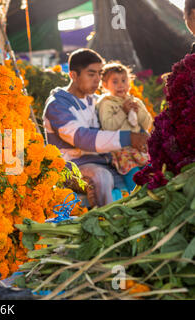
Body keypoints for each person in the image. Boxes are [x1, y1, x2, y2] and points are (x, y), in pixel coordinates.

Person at [42, 48, 149, 207]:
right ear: (73, 75)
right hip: (72, 167)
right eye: (91, 74)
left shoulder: (98, 101)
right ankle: (106, 223)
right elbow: (81, 138)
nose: (97, 80)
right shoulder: (58, 105)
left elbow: (120, 124)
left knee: (143, 171)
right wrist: (129, 137)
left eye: (100, 74)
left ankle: (142, 214)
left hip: (105, 161)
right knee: (101, 176)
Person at [96, 62, 153, 193]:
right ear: (105, 85)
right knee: (133, 176)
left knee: (151, 170)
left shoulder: (134, 101)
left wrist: (138, 111)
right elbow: (108, 127)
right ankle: (136, 199)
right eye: (115, 82)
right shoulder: (106, 103)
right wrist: (123, 112)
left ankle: (154, 196)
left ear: (129, 82)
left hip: (139, 147)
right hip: (121, 150)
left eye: (123, 80)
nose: (121, 85)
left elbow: (147, 124)